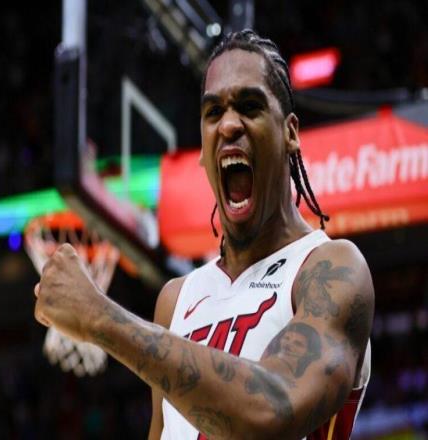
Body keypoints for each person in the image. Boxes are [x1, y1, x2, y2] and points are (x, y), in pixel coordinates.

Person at [34, 29, 374, 439]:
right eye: (213, 112)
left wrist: (99, 318)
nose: (228, 124)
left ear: (290, 133)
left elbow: (274, 409)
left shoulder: (330, 269)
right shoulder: (176, 299)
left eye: (249, 106)